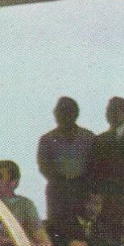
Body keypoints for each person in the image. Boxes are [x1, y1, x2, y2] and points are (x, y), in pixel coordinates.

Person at [36, 96, 97, 228]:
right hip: (58, 191)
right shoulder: (47, 139)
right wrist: (61, 179)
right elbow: (43, 166)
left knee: (83, 227)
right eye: (58, 113)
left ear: (75, 114)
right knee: (58, 228)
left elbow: (95, 165)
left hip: (83, 190)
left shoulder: (89, 138)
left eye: (66, 113)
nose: (61, 117)